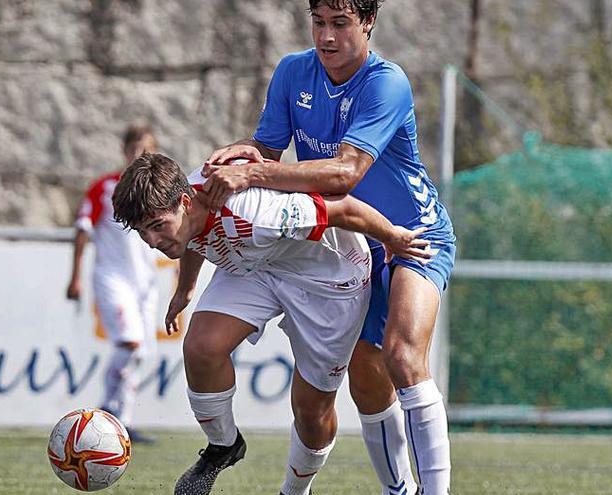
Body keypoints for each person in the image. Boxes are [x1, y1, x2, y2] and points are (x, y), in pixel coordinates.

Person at [200, 1, 456, 494]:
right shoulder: (293, 72)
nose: (327, 36)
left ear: (368, 23)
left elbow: (345, 173)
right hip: (350, 238)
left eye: (340, 23)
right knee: (364, 375)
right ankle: (397, 490)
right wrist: (243, 156)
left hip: (413, 234)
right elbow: (267, 159)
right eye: (318, 23)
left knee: (402, 357)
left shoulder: (387, 81)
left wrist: (253, 171)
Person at [111, 153, 432, 495]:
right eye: (142, 231)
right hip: (256, 266)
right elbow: (190, 236)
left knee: (312, 412)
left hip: (327, 280)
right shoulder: (185, 208)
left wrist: (394, 237)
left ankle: (294, 490)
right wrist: (186, 288)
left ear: (186, 201)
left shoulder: (255, 211)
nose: (152, 241)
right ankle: (223, 446)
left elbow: (344, 209)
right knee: (201, 347)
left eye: (157, 226)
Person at [65, 124, 161, 444]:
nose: (139, 155)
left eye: (146, 150)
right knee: (129, 342)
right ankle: (107, 410)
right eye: (134, 148)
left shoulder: (160, 190)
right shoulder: (105, 187)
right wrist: (75, 276)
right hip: (112, 278)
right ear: (124, 151)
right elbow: (83, 230)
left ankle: (123, 421)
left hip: (145, 284)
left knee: (138, 353)